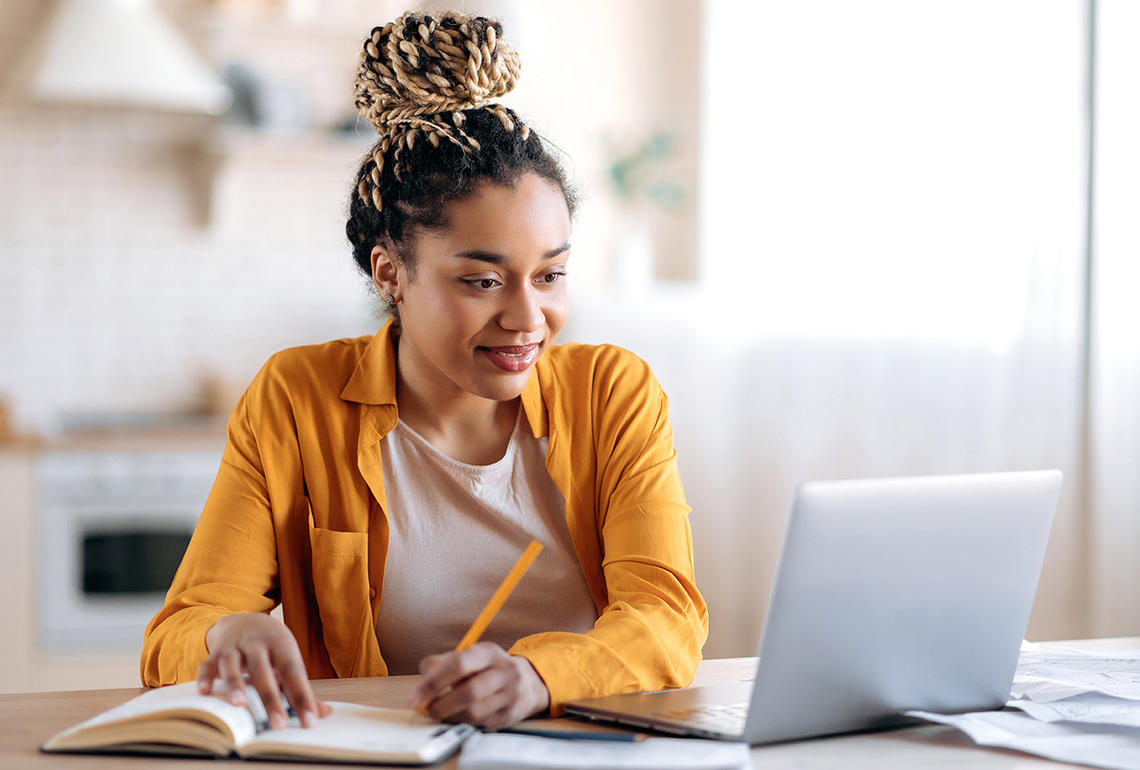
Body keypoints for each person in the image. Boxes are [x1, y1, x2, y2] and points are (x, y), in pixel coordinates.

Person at [140, 10, 707, 731]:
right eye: (482, 281)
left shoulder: (614, 394)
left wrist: (538, 677)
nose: (528, 317)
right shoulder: (297, 398)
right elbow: (175, 635)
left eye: (551, 275)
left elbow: (667, 616)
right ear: (390, 274)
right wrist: (225, 635)